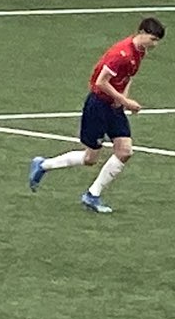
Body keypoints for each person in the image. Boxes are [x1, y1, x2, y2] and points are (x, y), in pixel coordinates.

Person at [27, 18, 166, 212]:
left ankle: (92, 195)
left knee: (125, 151)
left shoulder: (140, 51)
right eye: (152, 39)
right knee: (90, 158)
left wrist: (122, 99)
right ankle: (43, 165)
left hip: (113, 106)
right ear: (141, 32)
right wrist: (126, 102)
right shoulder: (121, 54)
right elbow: (101, 82)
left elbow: (127, 78)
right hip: (98, 105)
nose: (155, 44)